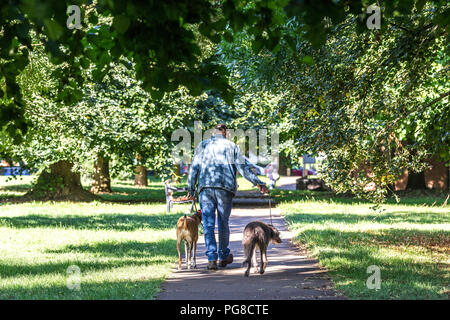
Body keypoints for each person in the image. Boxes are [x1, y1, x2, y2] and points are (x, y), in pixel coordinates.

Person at [187, 124, 268, 270]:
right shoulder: (232, 147)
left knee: (208, 225)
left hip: (205, 189)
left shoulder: (203, 145)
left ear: (213, 133)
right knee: (223, 223)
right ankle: (223, 256)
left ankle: (211, 258)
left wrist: (191, 189)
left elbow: (194, 168)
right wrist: (259, 183)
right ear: (225, 133)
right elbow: (243, 168)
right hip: (225, 189)